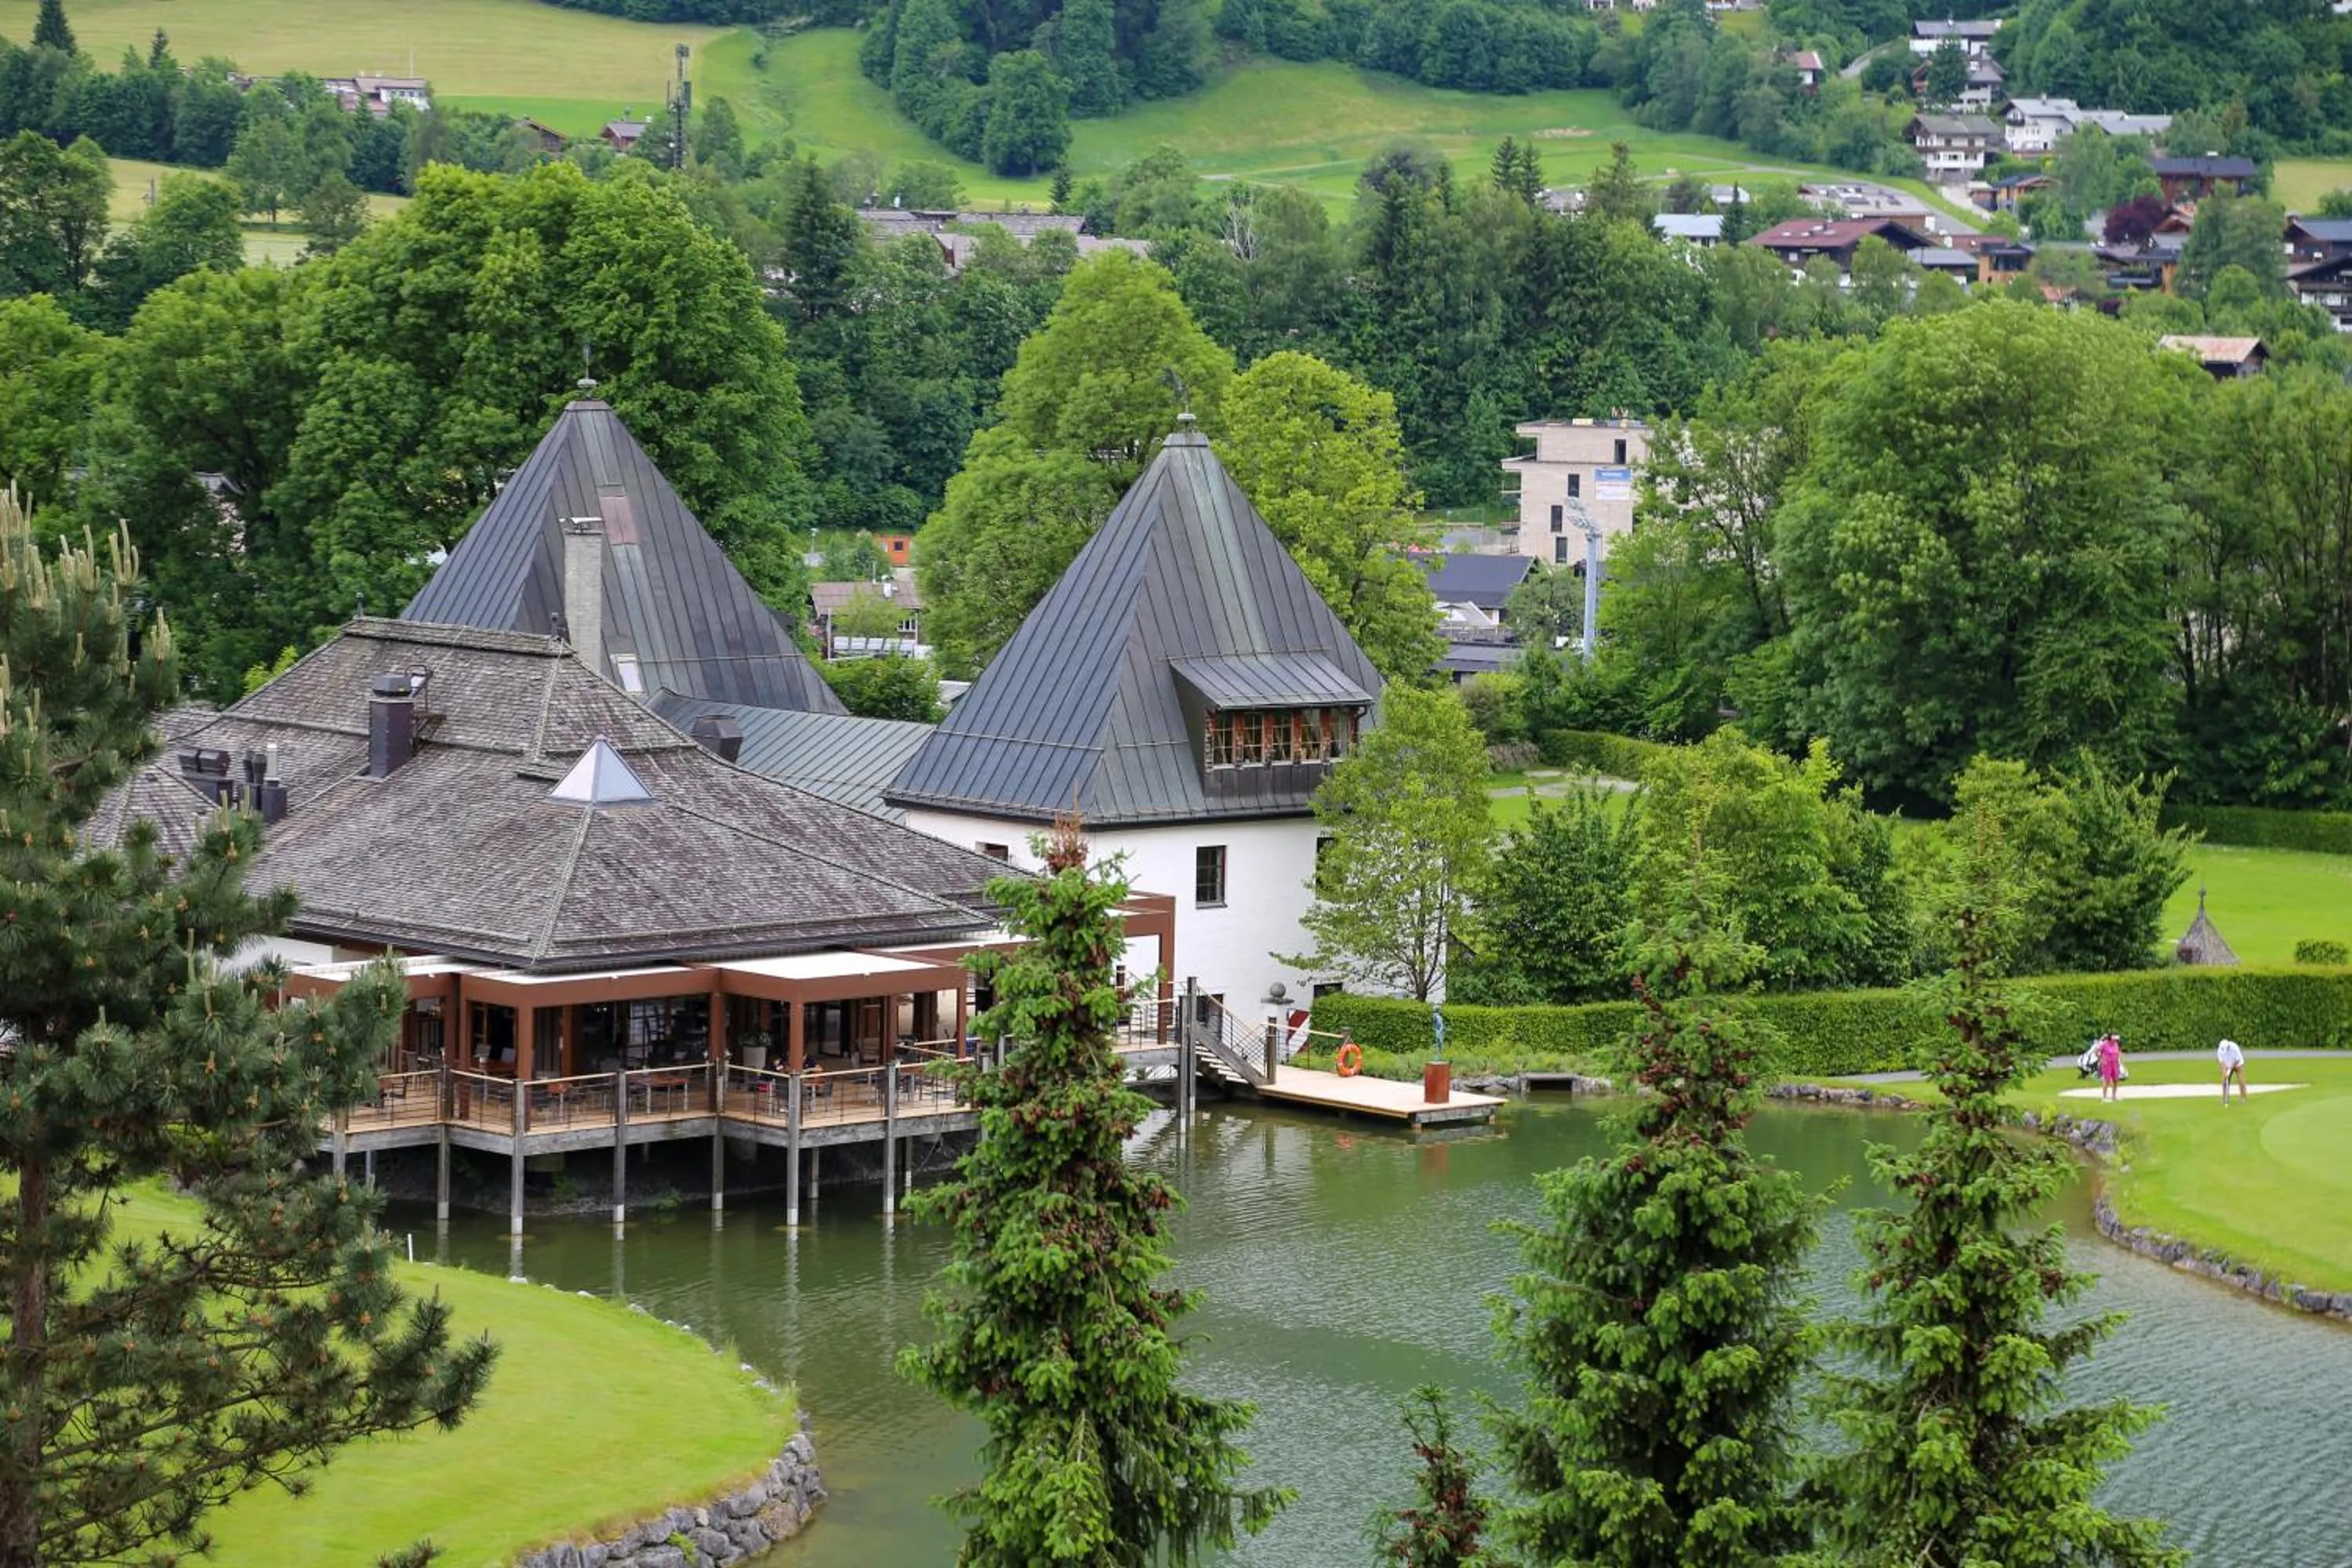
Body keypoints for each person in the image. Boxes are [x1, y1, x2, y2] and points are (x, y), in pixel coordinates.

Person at [2217, 1036, 2249, 1105]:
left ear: (2228, 1047)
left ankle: (2243, 1098)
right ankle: (2225, 1098)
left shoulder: (2234, 1048)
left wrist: (2231, 1068)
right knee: (2224, 1080)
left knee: (2241, 1080)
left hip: (2238, 1064)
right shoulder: (2220, 1050)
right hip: (2227, 1065)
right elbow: (2222, 1062)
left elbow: (2237, 1060)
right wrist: (2225, 1071)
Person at [2097, 1032, 2123, 1102]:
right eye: (2114, 1038)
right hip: (2107, 1064)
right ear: (2110, 1037)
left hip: (2115, 1063)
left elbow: (2119, 1052)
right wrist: (2101, 1060)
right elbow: (2098, 1052)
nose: (2115, 1040)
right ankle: (2104, 1097)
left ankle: (2114, 1096)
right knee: (2107, 1080)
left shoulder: (2116, 1044)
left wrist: (2119, 1060)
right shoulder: (2104, 1044)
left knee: (2116, 1080)